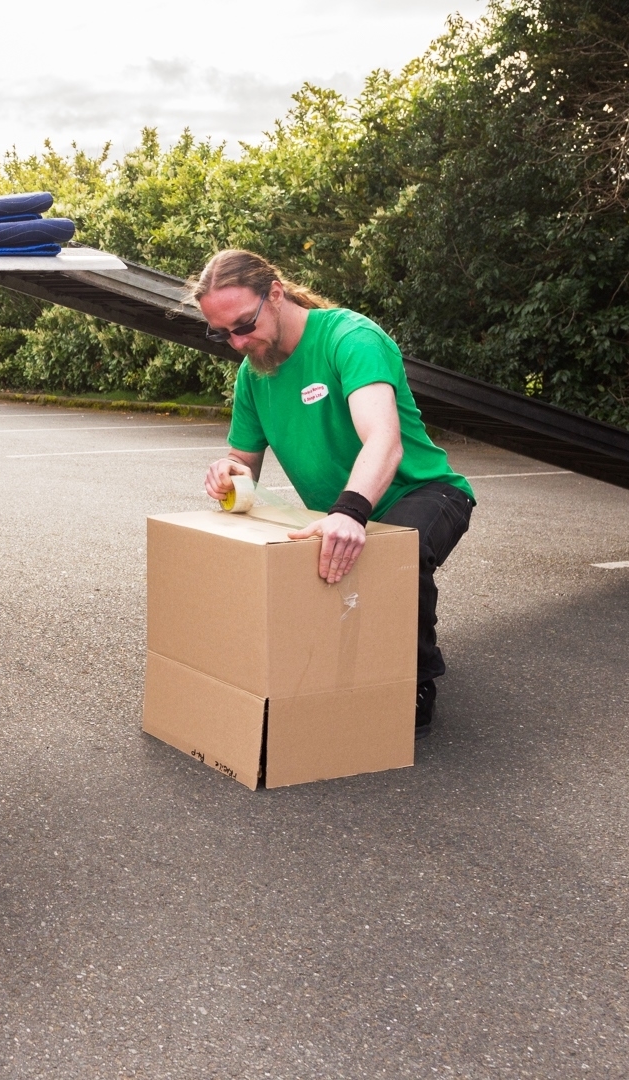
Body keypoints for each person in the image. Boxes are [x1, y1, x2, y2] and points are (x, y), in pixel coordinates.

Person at [196, 249, 474, 739]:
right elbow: (246, 465)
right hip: (348, 506)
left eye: (244, 324)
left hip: (426, 490)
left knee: (395, 551)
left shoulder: (350, 338)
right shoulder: (254, 374)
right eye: (223, 334)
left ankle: (416, 681)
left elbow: (383, 439)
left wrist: (350, 511)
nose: (238, 342)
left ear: (275, 294)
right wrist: (228, 472)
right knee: (336, 559)